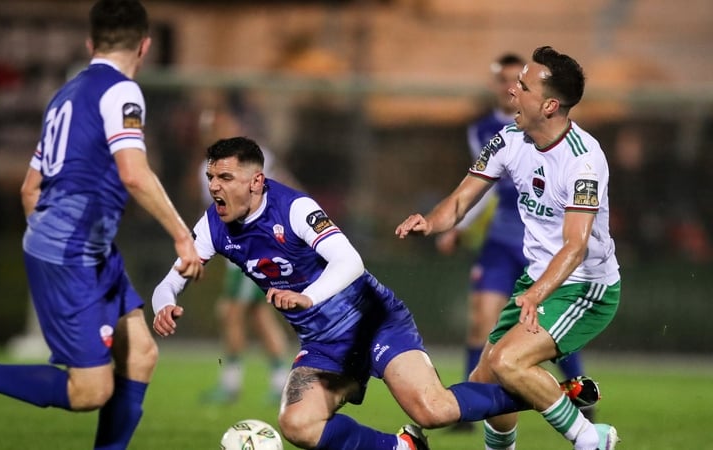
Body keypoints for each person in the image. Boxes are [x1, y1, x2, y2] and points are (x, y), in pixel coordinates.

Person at [151, 136, 601, 450]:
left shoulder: (296, 209)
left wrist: (308, 297)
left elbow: (351, 262)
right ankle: (400, 447)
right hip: (325, 346)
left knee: (433, 409)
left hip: (374, 321)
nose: (214, 187)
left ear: (255, 181)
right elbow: (174, 275)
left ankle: (552, 394)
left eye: (225, 177)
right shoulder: (213, 223)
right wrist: (165, 300)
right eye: (211, 177)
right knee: (298, 425)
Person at [0, 2, 203, 449]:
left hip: (85, 250)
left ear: (90, 44)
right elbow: (134, 173)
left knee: (141, 356)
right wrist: (181, 235)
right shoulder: (122, 92)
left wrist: (53, 240)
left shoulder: (66, 95)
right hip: (74, 254)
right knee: (91, 391)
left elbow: (28, 189)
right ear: (145, 46)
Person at [396, 46, 620, 450]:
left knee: (507, 362)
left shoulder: (584, 160)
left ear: (550, 105)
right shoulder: (509, 138)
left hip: (585, 287)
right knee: (485, 382)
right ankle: (537, 416)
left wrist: (535, 294)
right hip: (535, 279)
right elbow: (462, 200)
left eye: (524, 85)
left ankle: (591, 439)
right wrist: (430, 222)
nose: (513, 91)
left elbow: (576, 245)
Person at [435, 53, 594, 432]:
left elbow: (575, 202)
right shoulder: (486, 132)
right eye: (507, 80)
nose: (511, 89)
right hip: (502, 241)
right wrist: (453, 225)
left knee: (544, 331)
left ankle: (581, 400)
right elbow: (482, 189)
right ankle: (473, 408)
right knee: (483, 324)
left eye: (521, 83)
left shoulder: (567, 142)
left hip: (543, 244)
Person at [195, 95, 292, 404]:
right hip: (239, 252)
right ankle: (283, 383)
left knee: (230, 311)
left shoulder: (252, 160)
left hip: (259, 247)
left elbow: (285, 190)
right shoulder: (207, 170)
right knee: (258, 314)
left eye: (217, 124)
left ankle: (231, 382)